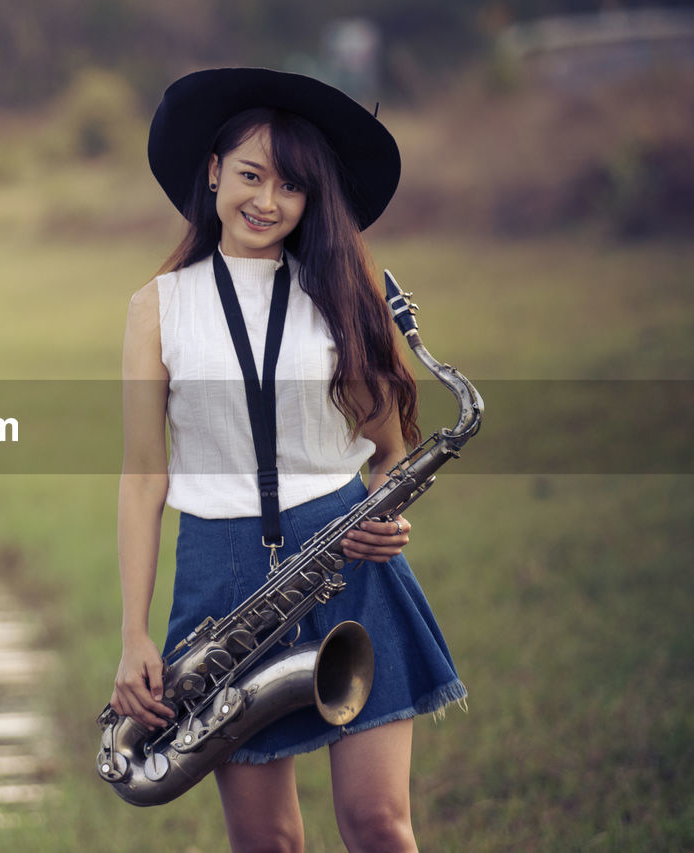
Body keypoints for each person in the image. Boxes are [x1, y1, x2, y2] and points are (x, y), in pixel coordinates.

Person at [108, 68, 466, 853]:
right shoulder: (156, 308)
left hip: (344, 560)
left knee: (379, 824)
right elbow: (142, 476)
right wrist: (135, 633)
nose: (267, 201)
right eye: (250, 175)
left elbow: (390, 448)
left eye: (292, 186)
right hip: (220, 577)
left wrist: (385, 511)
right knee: (268, 841)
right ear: (212, 171)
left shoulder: (339, 286)